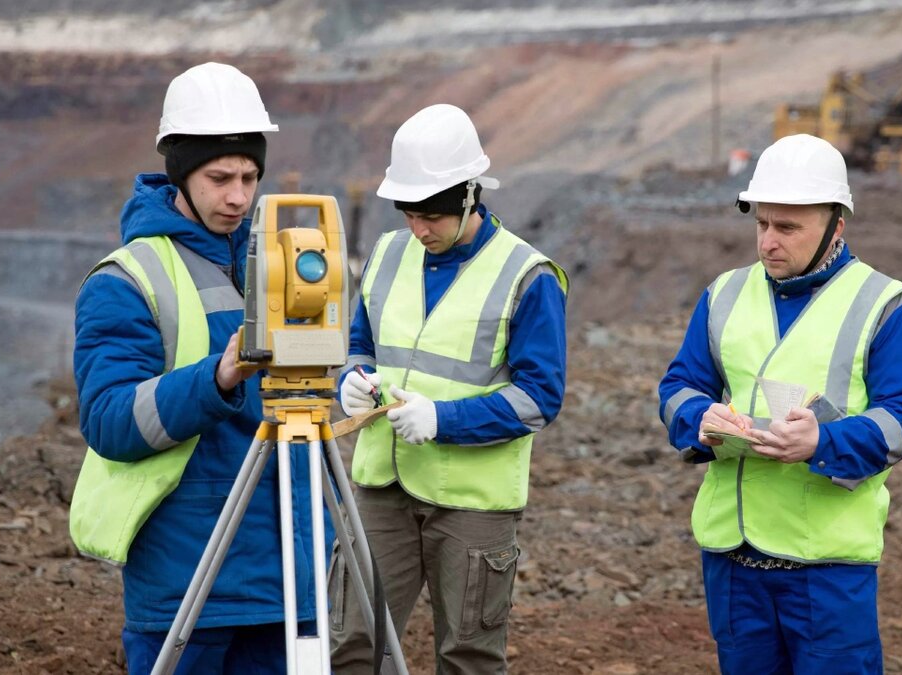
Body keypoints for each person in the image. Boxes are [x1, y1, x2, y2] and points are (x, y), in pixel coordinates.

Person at [68, 62, 331, 674]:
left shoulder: (282, 266)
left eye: (249, 176)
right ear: (180, 173)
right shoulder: (126, 280)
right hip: (190, 580)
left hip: (290, 577)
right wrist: (218, 378)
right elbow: (109, 421)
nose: (238, 196)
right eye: (219, 177)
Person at [657, 134, 902, 674]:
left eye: (787, 228)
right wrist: (699, 418)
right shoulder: (724, 294)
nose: (767, 242)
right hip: (733, 558)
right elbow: (679, 386)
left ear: (836, 224)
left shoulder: (887, 307)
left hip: (826, 565)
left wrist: (823, 441)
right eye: (761, 224)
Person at [328, 103, 569, 673]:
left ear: (470, 195)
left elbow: (540, 398)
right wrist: (351, 383)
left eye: (431, 214)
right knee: (353, 644)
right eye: (408, 211)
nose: (418, 228)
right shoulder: (388, 255)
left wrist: (445, 420)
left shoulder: (528, 276)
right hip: (381, 486)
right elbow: (360, 344)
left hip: (472, 503)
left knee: (468, 658)